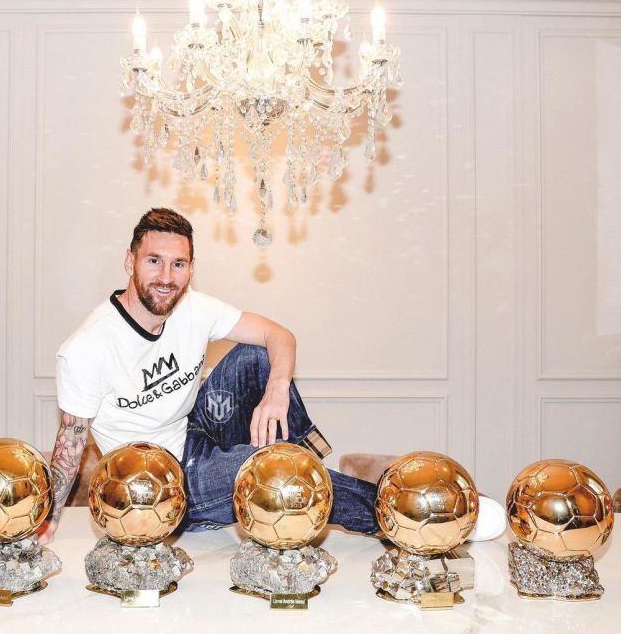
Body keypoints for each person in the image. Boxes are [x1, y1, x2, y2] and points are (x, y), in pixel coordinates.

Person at [36, 208, 377, 544]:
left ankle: (296, 472)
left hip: (195, 431)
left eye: (178, 264)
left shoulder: (194, 308)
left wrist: (276, 391)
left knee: (256, 355)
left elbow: (280, 336)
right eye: (154, 261)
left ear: (190, 268)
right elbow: (71, 443)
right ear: (130, 262)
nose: (166, 277)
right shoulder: (87, 347)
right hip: (166, 482)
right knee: (259, 466)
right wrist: (48, 518)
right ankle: (386, 511)